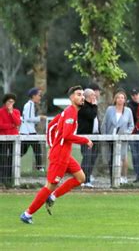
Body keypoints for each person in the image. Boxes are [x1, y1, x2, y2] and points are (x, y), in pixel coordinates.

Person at [20, 86, 93, 224]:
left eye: (83, 94)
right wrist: (85, 140)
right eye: (79, 94)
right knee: (49, 186)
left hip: (64, 154)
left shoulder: (69, 112)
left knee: (81, 177)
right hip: (60, 156)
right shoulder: (70, 112)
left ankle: (52, 197)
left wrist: (51, 145)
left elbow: (52, 126)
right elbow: (66, 135)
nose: (82, 97)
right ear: (71, 97)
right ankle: (27, 213)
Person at [102, 90, 134, 185]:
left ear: (125, 100)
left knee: (122, 158)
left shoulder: (128, 111)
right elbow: (104, 123)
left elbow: (131, 125)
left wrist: (126, 134)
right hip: (111, 138)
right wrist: (105, 136)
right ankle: (113, 179)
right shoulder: (110, 110)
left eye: (122, 98)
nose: (120, 99)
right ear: (115, 99)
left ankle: (122, 177)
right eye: (118, 97)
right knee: (111, 158)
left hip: (122, 139)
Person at [20, 88, 47, 172]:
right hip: (28, 132)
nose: (40, 97)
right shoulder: (30, 105)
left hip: (27, 131)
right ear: (33, 96)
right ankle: (40, 168)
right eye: (39, 95)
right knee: (37, 149)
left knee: (22, 151)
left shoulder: (29, 104)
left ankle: (40, 168)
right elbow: (28, 118)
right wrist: (40, 118)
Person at [77, 88, 100, 187]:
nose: (94, 97)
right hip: (86, 136)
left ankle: (88, 178)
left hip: (95, 135)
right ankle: (82, 179)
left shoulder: (92, 106)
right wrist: (95, 105)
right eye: (92, 95)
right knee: (87, 157)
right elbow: (91, 115)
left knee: (93, 158)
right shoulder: (83, 106)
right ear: (87, 97)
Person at [0, 93, 21, 186]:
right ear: (5, 102)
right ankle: (3, 179)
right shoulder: (1, 112)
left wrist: (11, 113)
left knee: (12, 158)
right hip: (3, 138)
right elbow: (1, 125)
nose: (11, 103)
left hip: (14, 138)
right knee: (3, 158)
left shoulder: (16, 111)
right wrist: (12, 126)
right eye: (9, 101)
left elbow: (18, 122)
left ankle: (9, 178)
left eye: (12, 102)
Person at [127, 88, 139, 173]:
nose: (135, 96)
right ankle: (137, 171)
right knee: (135, 153)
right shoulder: (129, 106)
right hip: (132, 133)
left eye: (136, 94)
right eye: (133, 95)